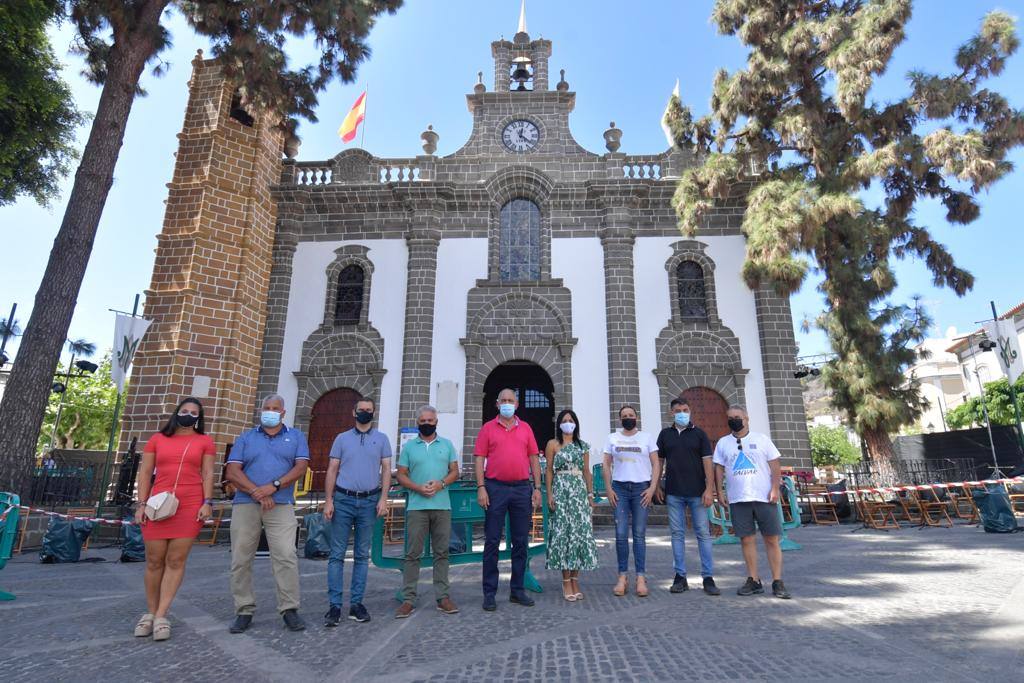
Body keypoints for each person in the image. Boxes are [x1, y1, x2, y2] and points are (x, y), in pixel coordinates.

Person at [224, 394, 310, 633]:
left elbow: (300, 468)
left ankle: (289, 609)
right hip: (245, 502)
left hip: (280, 503)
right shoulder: (246, 437)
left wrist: (273, 486)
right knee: (241, 558)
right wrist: (257, 491)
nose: (269, 411)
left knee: (285, 555)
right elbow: (232, 471)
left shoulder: (296, 437)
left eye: (275, 408)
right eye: (266, 408)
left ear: (283, 412)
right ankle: (243, 609)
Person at [133, 397, 216, 641]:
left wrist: (207, 502)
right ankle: (149, 611)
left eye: (194, 412)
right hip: (158, 503)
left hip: (190, 504)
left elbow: (209, 472)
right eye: (185, 410)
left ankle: (161, 614)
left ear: (199, 418)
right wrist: (141, 503)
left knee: (176, 560)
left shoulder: (205, 441)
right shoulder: (157, 439)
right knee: (154, 560)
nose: (189, 415)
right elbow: (145, 472)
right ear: (176, 412)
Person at [323, 396, 392, 625]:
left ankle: (356, 604)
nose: (365, 412)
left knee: (362, 556)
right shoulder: (341, 438)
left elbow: (386, 470)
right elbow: (332, 469)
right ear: (354, 413)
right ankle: (334, 606)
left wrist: (384, 498)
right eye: (361, 409)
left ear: (374, 413)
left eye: (369, 410)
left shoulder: (382, 439)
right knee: (336, 555)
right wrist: (328, 500)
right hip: (343, 500)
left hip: (370, 501)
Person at [474, 388, 542, 612]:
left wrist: (537, 488)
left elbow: (533, 457)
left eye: (510, 400)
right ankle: (489, 592)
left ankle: (517, 589)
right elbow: (479, 459)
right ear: (496, 404)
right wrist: (481, 487)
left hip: (522, 489)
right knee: (492, 540)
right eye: (503, 400)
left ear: (517, 404)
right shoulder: (487, 428)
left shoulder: (526, 429)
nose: (506, 403)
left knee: (521, 541)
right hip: (495, 488)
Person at [712, 405, 791, 599]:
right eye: (730, 417)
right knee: (746, 539)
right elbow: (719, 468)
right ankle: (753, 579)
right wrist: (719, 491)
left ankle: (777, 581)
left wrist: (774, 489)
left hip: (763, 497)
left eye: (737, 417)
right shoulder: (723, 443)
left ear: (746, 418)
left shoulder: (762, 439)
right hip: (739, 498)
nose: (734, 420)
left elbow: (775, 466)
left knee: (771, 539)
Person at [393, 405, 460, 618]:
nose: (427, 424)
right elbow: (401, 474)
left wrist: (440, 484)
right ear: (417, 422)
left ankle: (443, 597)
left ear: (437, 422)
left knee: (442, 553)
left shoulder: (447, 445)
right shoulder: (410, 447)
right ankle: (408, 599)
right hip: (417, 507)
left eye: (430, 420)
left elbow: (455, 471)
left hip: (442, 506)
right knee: (412, 554)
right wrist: (417, 487)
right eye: (423, 421)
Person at [656, 398, 720, 596]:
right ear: (671, 413)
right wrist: (657, 485)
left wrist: (710, 489)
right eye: (678, 410)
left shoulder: (699, 434)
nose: (682, 413)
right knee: (677, 534)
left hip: (698, 493)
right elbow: (659, 461)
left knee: (703, 534)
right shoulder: (665, 434)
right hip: (674, 492)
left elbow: (708, 463)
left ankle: (708, 577)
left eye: (685, 410)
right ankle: (680, 576)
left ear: (690, 411)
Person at [603, 404, 660, 597]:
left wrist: (652, 488)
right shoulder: (612, 438)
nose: (628, 417)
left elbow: (656, 463)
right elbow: (606, 464)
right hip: (620, 489)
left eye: (631, 415)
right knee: (620, 534)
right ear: (620, 419)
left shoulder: (647, 438)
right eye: (624, 415)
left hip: (641, 489)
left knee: (639, 534)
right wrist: (608, 489)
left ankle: (641, 577)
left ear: (637, 417)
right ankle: (622, 576)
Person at [545, 409, 598, 602]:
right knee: (563, 535)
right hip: (561, 492)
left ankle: (575, 579)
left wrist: (590, 495)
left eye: (571, 420)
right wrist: (549, 493)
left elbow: (586, 471)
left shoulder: (582, 446)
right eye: (564, 420)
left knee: (579, 535)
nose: (568, 423)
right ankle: (565, 581)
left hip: (579, 494)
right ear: (559, 424)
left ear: (576, 424)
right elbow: (549, 471)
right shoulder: (553, 444)